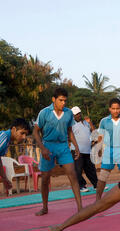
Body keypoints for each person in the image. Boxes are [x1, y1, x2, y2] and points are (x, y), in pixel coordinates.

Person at [33, 88, 83, 216]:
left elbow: (70, 131)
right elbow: (35, 131)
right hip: (48, 146)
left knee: (72, 174)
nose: (63, 103)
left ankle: (80, 208)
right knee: (45, 178)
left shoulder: (68, 113)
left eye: (65, 100)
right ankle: (45, 207)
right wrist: (42, 148)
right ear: (54, 99)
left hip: (63, 146)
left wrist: (76, 146)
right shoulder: (44, 112)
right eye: (61, 100)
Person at [95, 98, 120, 203]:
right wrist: (98, 149)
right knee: (103, 175)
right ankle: (98, 199)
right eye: (113, 108)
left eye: (117, 108)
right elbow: (100, 136)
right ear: (109, 109)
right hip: (109, 150)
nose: (115, 111)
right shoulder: (104, 121)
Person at [70, 106, 98, 193]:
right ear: (73, 116)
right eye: (76, 115)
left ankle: (96, 185)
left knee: (91, 168)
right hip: (77, 150)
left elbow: (94, 133)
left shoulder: (86, 123)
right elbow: (69, 136)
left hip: (87, 150)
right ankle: (81, 185)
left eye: (79, 114)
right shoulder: (71, 124)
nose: (78, 116)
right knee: (78, 169)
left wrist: (90, 123)